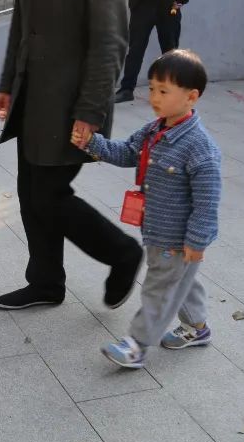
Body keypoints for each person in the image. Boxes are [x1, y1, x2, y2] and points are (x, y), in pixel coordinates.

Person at [0, 0, 144, 311]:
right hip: (33, 97)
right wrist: (7, 83)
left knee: (49, 195)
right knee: (31, 192)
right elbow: (21, 22)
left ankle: (122, 253)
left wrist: (91, 111)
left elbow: (111, 40)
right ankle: (45, 282)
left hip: (70, 102)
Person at [74, 50, 221, 369]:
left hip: (177, 240)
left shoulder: (200, 149)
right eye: (152, 88)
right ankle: (197, 328)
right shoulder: (155, 130)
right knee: (181, 283)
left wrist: (196, 242)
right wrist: (92, 143)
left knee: (159, 288)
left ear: (191, 97)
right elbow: (127, 152)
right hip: (155, 229)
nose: (154, 97)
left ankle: (136, 345)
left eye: (163, 91)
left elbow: (207, 203)